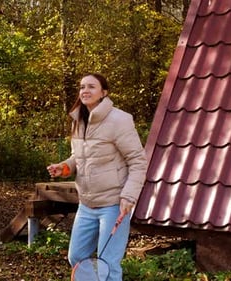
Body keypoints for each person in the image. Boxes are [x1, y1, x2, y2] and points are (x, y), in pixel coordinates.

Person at [47, 73, 147, 280]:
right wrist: (65, 167)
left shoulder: (119, 120)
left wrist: (129, 196)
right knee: (76, 257)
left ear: (104, 92)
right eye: (82, 86)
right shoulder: (79, 119)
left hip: (113, 204)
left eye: (91, 87)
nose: (85, 91)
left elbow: (138, 161)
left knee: (108, 264)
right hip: (86, 203)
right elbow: (81, 156)